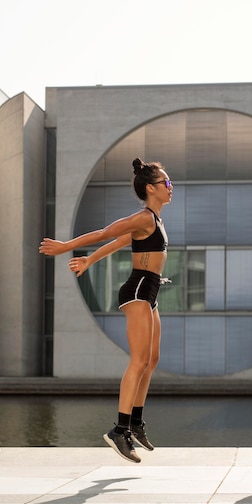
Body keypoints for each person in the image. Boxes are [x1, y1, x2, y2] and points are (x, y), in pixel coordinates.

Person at [39, 158, 173, 463]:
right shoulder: (144, 218)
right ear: (151, 188)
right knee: (139, 360)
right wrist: (66, 246)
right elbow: (106, 231)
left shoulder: (155, 220)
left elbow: (118, 242)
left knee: (152, 360)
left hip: (149, 290)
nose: (170, 187)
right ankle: (120, 429)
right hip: (138, 289)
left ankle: (135, 422)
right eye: (166, 182)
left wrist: (89, 261)